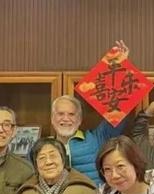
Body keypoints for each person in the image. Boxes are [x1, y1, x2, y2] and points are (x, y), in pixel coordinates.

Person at [50, 40, 132, 185]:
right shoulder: (44, 147)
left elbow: (119, 110)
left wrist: (119, 67)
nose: (66, 119)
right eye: (60, 114)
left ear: (79, 119)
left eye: (71, 114)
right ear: (52, 118)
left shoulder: (96, 138)